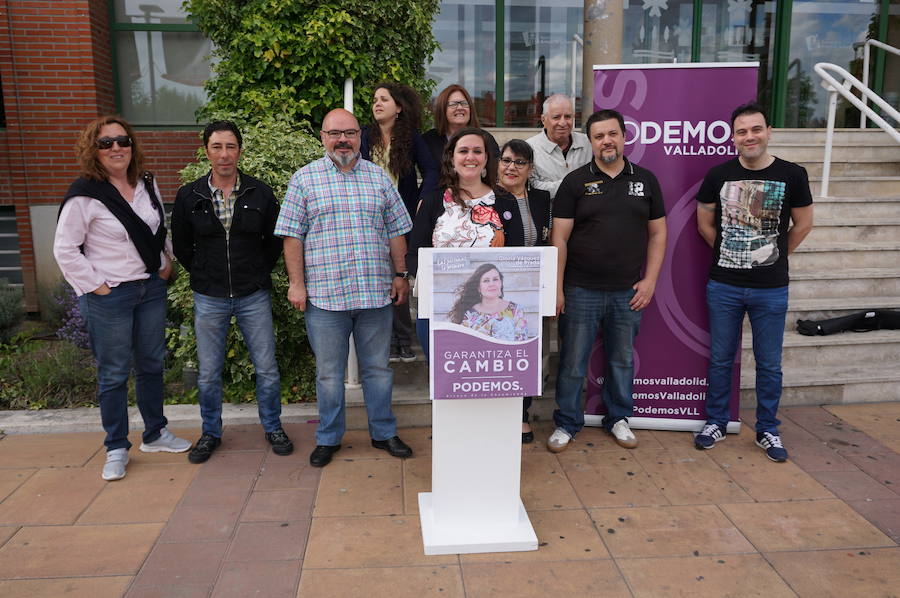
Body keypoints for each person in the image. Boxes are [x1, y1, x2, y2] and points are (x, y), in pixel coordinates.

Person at [54, 116, 191, 481]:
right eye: (106, 143)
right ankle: (116, 447)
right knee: (114, 373)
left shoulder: (146, 183)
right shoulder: (85, 194)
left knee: (151, 364)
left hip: (149, 289)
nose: (116, 147)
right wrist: (97, 286)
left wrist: (165, 263)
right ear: (94, 151)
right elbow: (65, 249)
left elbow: (159, 226)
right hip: (110, 295)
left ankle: (155, 433)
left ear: (132, 145)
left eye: (122, 140)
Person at [275, 108, 414, 468]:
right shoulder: (304, 180)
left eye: (350, 133)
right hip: (324, 297)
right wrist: (296, 285)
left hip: (374, 294)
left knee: (379, 370)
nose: (342, 140)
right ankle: (328, 437)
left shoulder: (378, 178)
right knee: (329, 374)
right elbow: (292, 237)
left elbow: (397, 230)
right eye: (334, 133)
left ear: (359, 137)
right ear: (322, 137)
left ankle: (383, 432)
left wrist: (401, 274)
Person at [693, 102, 813, 462]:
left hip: (771, 288)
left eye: (756, 129)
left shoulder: (793, 174)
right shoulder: (718, 175)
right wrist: (734, 254)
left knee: (769, 363)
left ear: (768, 131)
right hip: (724, 285)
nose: (750, 137)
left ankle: (768, 429)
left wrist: (772, 255)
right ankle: (715, 421)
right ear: (733, 137)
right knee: (720, 359)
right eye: (742, 131)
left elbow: (803, 225)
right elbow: (704, 223)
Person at [171, 120, 292, 464]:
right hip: (209, 296)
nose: (224, 154)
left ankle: (272, 426)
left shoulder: (260, 193)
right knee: (208, 372)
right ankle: (210, 432)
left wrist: (256, 271)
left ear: (239, 150)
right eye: (216, 147)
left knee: (266, 368)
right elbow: (182, 245)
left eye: (230, 147)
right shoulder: (189, 195)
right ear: (206, 151)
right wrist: (204, 273)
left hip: (252, 293)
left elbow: (274, 242)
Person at [549, 109, 667, 453]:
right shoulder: (575, 182)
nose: (606, 141)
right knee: (572, 362)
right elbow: (559, 238)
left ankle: (618, 418)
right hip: (579, 289)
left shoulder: (646, 180)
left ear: (624, 136)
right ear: (591, 142)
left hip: (627, 291)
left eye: (612, 134)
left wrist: (650, 282)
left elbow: (659, 233)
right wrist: (557, 287)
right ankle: (567, 422)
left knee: (622, 360)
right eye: (599, 136)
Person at [407, 127, 521, 358]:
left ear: (486, 158)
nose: (470, 157)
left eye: (477, 151)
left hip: (494, 317)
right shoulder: (432, 201)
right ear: (451, 157)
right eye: (463, 151)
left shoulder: (505, 202)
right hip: (440, 311)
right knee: (447, 385)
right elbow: (414, 256)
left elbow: (516, 257)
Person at [360, 82, 438, 363]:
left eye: (384, 99)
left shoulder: (411, 138)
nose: (377, 104)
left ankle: (403, 339)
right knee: (378, 278)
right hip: (368, 219)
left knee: (399, 275)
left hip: (400, 218)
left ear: (399, 107)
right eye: (374, 99)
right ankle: (386, 339)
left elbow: (431, 170)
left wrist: (422, 199)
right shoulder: (364, 136)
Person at [495, 139, 552, 443]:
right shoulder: (489, 199)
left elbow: (548, 239)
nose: (511, 167)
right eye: (506, 160)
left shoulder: (542, 199)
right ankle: (498, 413)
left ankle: (522, 414)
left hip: (533, 291)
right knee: (501, 355)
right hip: (499, 292)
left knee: (528, 356)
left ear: (530, 168)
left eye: (519, 162)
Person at [526, 94, 592, 199]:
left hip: (586, 213)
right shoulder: (529, 148)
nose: (562, 123)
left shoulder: (588, 143)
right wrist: (573, 184)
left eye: (568, 117)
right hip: (548, 214)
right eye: (556, 117)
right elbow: (532, 188)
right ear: (543, 120)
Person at [422, 84, 500, 168]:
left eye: (464, 103)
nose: (460, 107)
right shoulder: (428, 140)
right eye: (453, 104)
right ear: (442, 109)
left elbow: (494, 172)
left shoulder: (486, 139)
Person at [449, 263, 528, 341]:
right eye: (486, 281)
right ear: (479, 288)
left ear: (501, 283)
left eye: (495, 279)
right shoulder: (469, 315)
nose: (492, 284)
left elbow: (521, 343)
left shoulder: (516, 310)